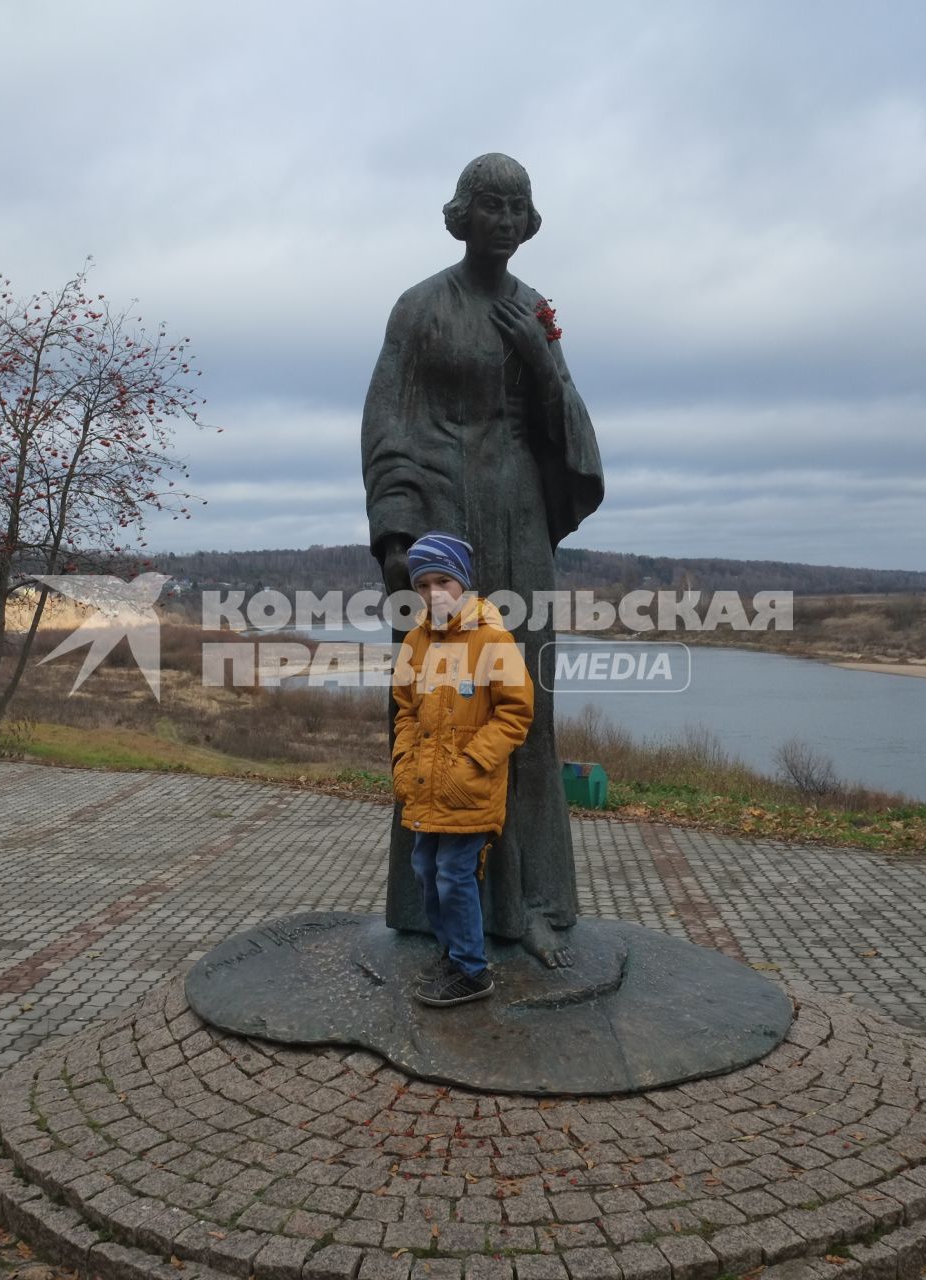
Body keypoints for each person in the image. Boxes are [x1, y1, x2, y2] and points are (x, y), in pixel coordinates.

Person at [361, 153, 603, 967]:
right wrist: (396, 537)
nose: (503, 219)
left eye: (517, 207)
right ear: (462, 213)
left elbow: (570, 432)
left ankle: (530, 903)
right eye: (489, 205)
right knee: (435, 707)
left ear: (529, 221)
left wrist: (538, 361)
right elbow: (387, 420)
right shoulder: (420, 307)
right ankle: (429, 903)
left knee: (520, 704)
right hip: (438, 530)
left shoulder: (534, 313)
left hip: (520, 517)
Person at [391, 532, 535, 1007]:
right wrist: (402, 762)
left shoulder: (494, 639)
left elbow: (515, 714)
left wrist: (473, 763)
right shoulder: (415, 641)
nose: (434, 593)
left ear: (464, 584)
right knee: (425, 873)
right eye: (424, 584)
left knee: (454, 875)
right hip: (423, 785)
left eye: (444, 581)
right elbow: (405, 711)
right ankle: (453, 954)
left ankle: (473, 972)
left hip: (468, 788)